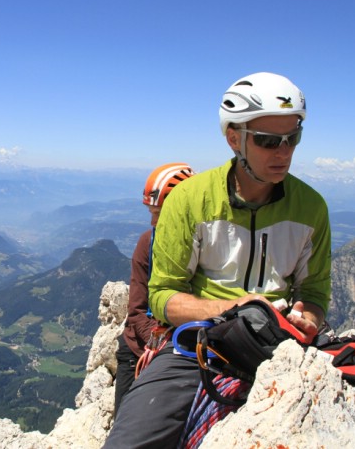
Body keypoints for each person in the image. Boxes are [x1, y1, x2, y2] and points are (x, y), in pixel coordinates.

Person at [104, 72, 332, 448]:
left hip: (283, 345)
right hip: (201, 346)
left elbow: (314, 289)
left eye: (294, 138)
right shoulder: (191, 200)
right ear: (234, 138)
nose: (284, 152)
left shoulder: (311, 208)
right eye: (268, 140)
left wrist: (308, 318)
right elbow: (162, 296)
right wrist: (235, 308)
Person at [113, 162, 195, 416]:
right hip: (139, 351)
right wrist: (162, 347)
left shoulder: (206, 248)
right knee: (125, 425)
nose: (152, 220)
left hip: (182, 353)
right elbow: (137, 310)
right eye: (151, 211)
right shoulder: (147, 243)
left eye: (158, 212)